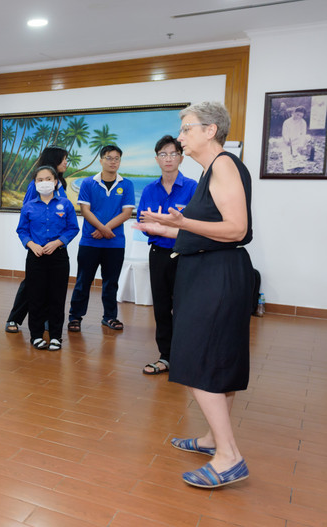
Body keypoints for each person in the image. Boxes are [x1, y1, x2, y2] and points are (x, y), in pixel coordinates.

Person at [137, 101, 253, 489]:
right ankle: (210, 439)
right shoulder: (211, 171)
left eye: (187, 129)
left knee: (198, 359)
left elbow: (236, 229)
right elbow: (209, 229)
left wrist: (183, 221)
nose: (181, 137)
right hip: (211, 271)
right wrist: (166, 227)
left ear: (210, 130)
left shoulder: (222, 164)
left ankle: (229, 457)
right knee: (218, 360)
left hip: (216, 277)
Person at [138, 136, 197, 375]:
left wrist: (160, 222)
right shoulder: (150, 189)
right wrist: (173, 225)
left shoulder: (193, 187)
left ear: (181, 157)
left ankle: (187, 356)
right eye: (163, 154)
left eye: (173, 153)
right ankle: (166, 356)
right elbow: (144, 222)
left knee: (186, 307)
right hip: (159, 254)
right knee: (162, 307)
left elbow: (196, 225)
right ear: (157, 159)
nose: (168, 158)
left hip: (186, 254)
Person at [67, 145, 135, 332]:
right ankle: (75, 317)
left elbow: (127, 212)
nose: (113, 161)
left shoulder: (127, 184)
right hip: (90, 241)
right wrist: (102, 229)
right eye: (109, 158)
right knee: (83, 281)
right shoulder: (88, 183)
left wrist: (105, 229)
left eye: (116, 158)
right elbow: (85, 210)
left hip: (115, 242)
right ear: (101, 160)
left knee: (110, 282)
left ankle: (110, 317)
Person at [5, 146, 69, 333]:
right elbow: (28, 211)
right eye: (64, 159)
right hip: (37, 245)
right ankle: (14, 319)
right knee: (31, 285)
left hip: (55, 246)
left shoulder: (60, 183)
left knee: (51, 286)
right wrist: (32, 243)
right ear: (55, 159)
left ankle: (48, 320)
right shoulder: (36, 185)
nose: (66, 163)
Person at [16, 166, 79, 350]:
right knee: (36, 296)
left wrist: (58, 242)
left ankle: (55, 336)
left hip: (58, 256)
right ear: (35, 184)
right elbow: (22, 230)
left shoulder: (65, 204)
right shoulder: (28, 206)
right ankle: (36, 335)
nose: (44, 183)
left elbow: (73, 228)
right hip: (35, 256)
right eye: (40, 180)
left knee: (57, 297)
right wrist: (31, 244)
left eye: (48, 179)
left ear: (56, 181)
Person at [281, 106, 314, 171]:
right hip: (288, 141)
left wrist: (301, 144)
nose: (298, 117)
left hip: (298, 140)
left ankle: (298, 165)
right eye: (297, 114)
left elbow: (303, 134)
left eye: (301, 116)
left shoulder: (303, 122)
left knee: (298, 153)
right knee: (288, 154)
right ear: (294, 112)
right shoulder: (287, 122)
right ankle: (290, 166)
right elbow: (284, 133)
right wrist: (287, 140)